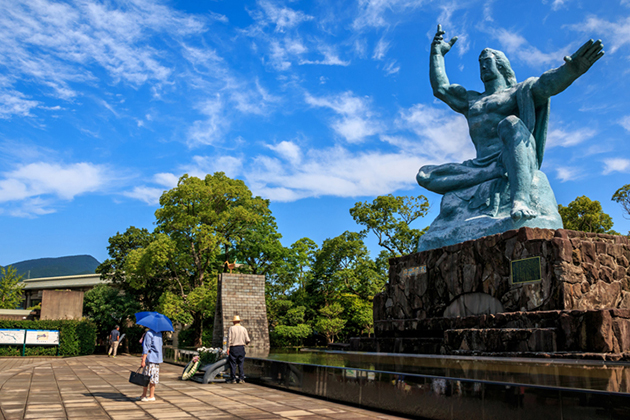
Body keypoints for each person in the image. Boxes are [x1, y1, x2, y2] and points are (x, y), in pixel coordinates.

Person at [417, 25, 604, 221]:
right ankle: (491, 172)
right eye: (479, 62)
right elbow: (441, 89)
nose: (482, 66)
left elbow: (547, 84)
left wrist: (570, 70)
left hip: (512, 154)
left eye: (486, 61)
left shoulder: (518, 92)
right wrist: (436, 54)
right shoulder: (471, 101)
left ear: (500, 64)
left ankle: (520, 199)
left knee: (511, 123)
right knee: (425, 176)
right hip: (480, 165)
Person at [139, 328, 163, 402]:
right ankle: (151, 395)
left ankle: (144, 394)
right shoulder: (159, 333)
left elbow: (146, 347)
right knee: (153, 377)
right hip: (157, 359)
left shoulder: (149, 333)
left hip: (150, 358)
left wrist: (143, 360)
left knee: (146, 376)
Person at [226, 315, 250, 384]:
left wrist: (228, 348)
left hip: (233, 348)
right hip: (241, 347)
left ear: (234, 322)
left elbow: (229, 339)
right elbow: (248, 340)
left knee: (233, 363)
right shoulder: (243, 329)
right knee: (241, 363)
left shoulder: (231, 328)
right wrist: (245, 344)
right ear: (239, 321)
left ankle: (233, 378)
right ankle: (241, 378)